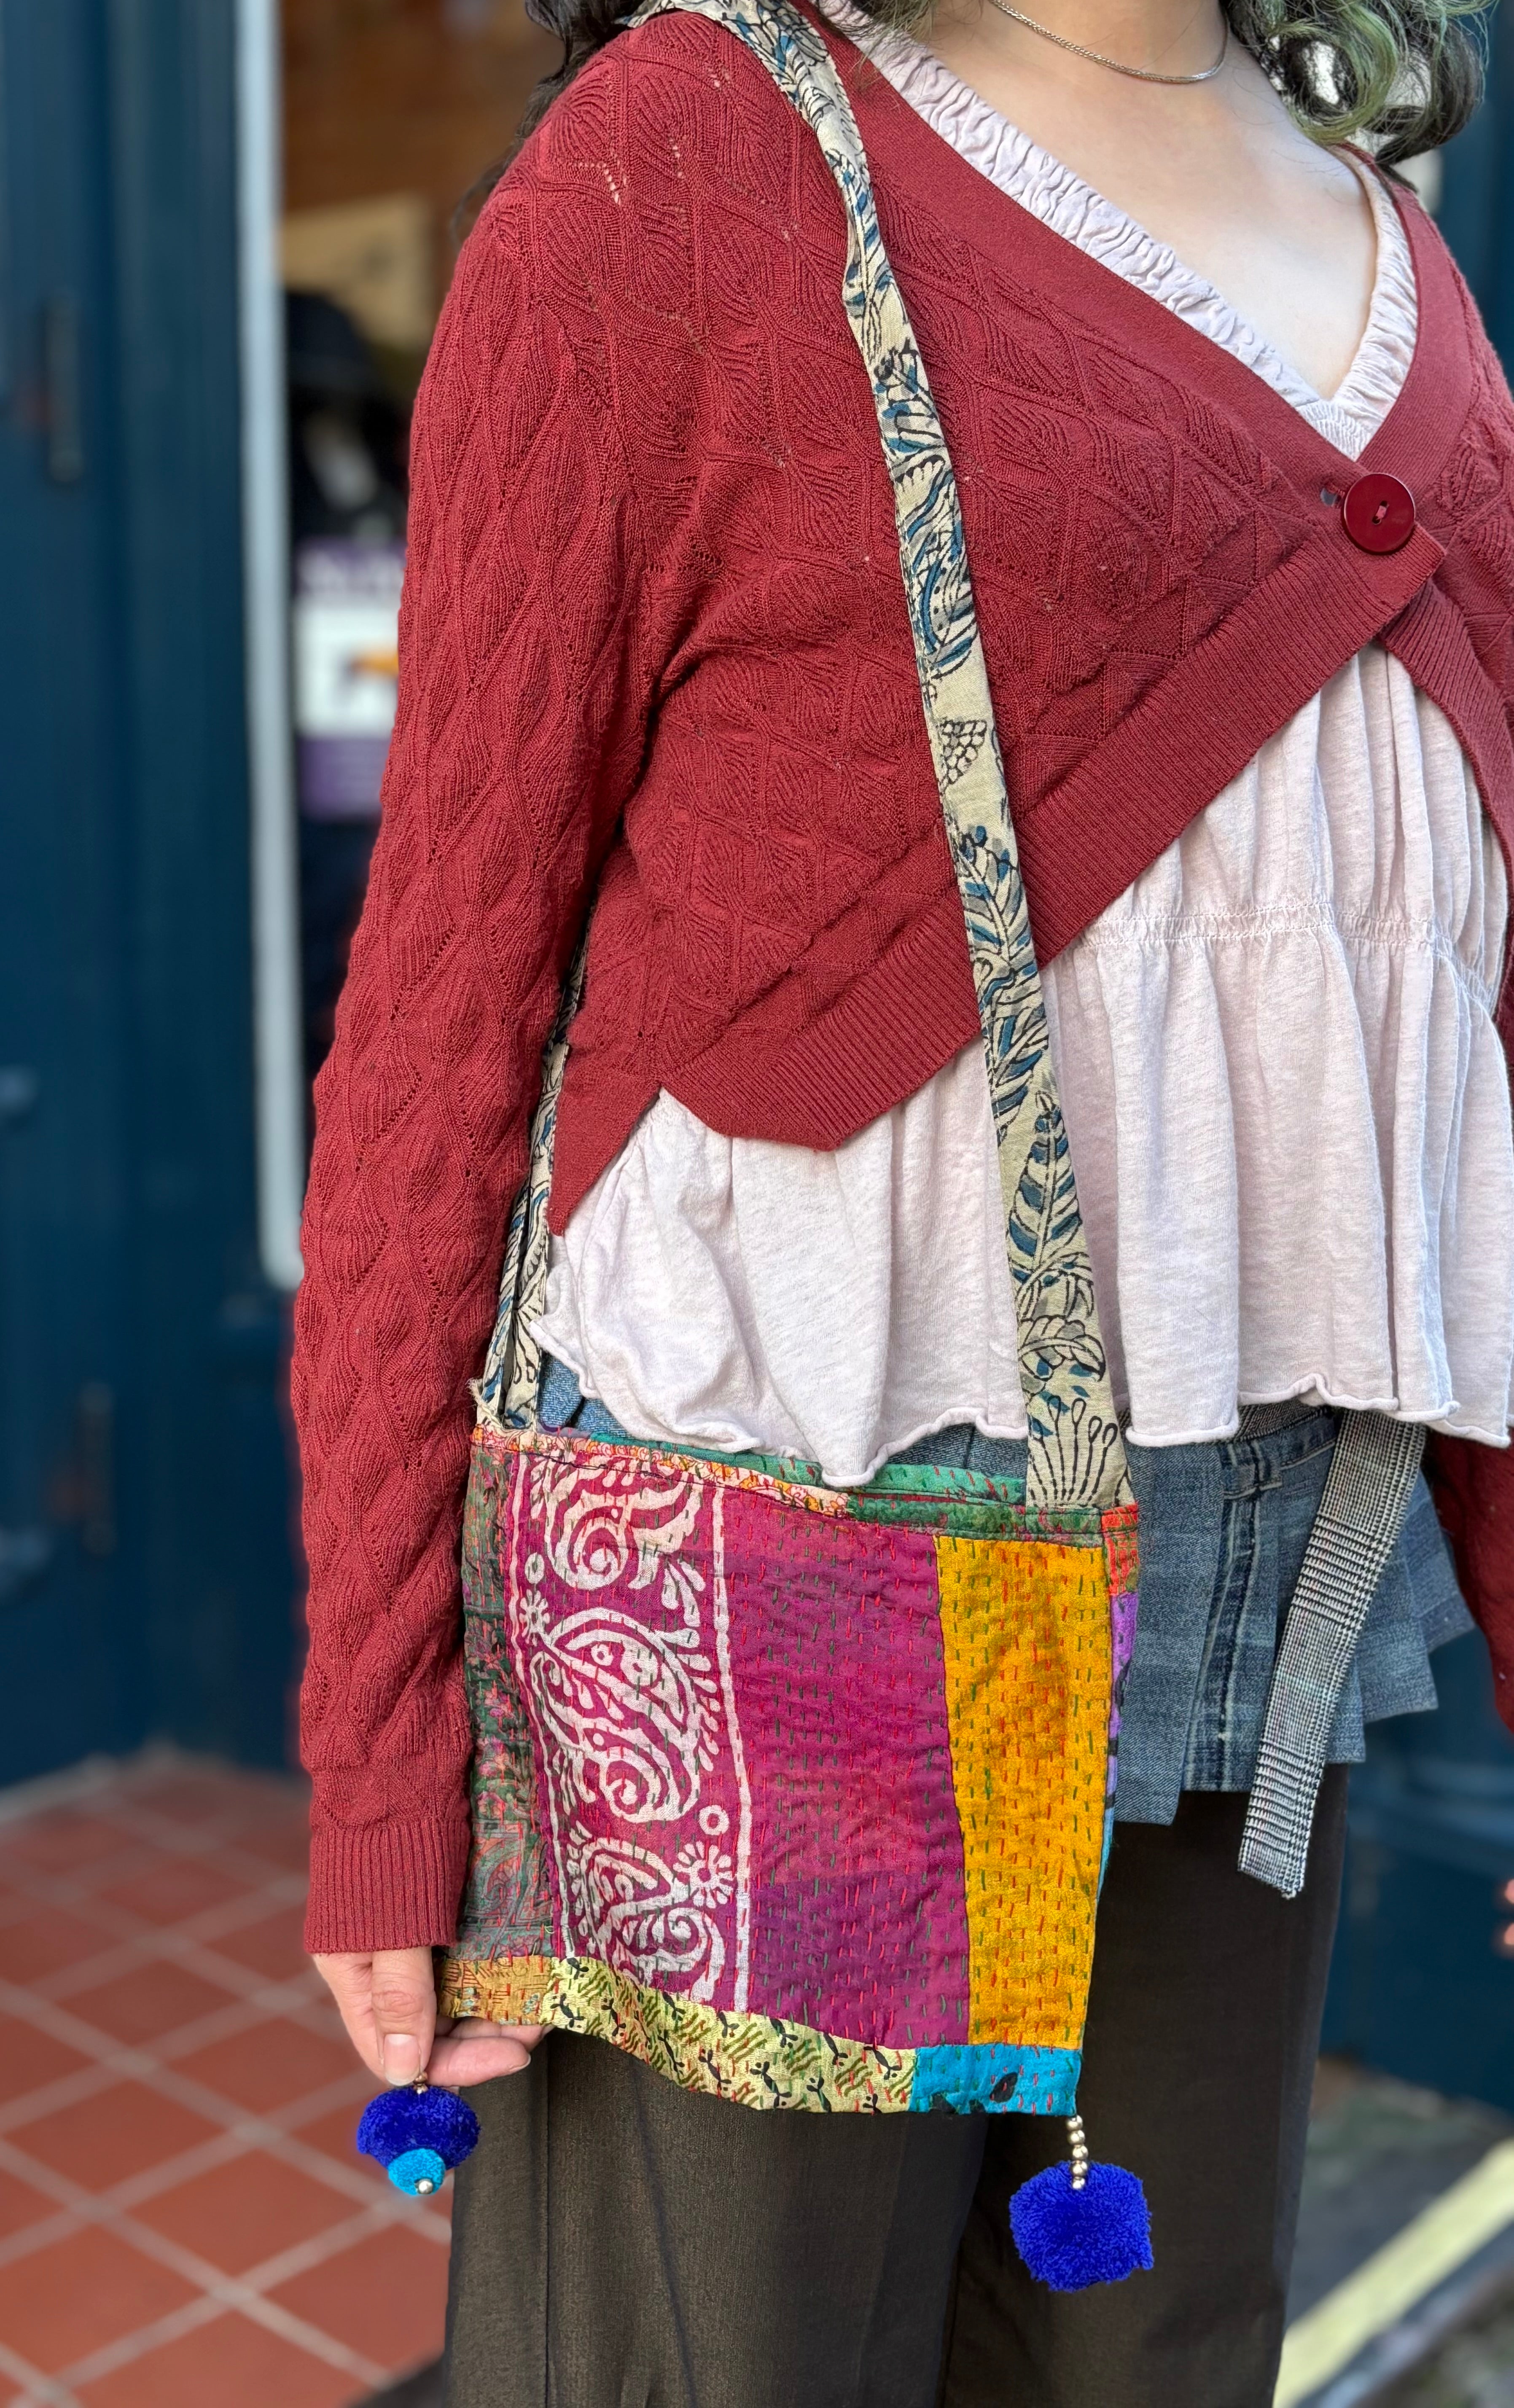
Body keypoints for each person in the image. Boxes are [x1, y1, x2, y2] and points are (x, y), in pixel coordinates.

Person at [292, 0, 1514, 2394]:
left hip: (1252, 1562)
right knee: (733, 2362)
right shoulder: (693, 161)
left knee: (1156, 2340)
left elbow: (1451, 1038)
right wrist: (383, 1750)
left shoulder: (1378, 227)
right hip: (774, 1576)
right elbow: (444, 1006)